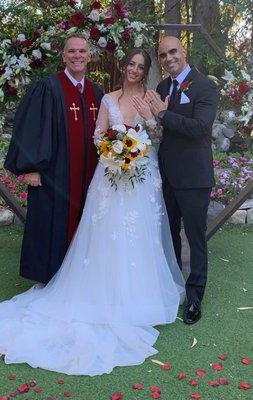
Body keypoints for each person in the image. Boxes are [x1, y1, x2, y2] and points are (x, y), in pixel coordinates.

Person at [0, 49, 185, 376]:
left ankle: (139, 297)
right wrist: (114, 152)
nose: (134, 70)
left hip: (141, 176)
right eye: (131, 64)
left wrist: (150, 125)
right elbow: (98, 134)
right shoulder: (108, 97)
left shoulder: (152, 97)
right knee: (106, 234)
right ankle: (101, 293)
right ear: (123, 66)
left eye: (141, 67)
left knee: (139, 234)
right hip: (112, 174)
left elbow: (157, 135)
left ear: (145, 72)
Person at [4, 34, 104, 284]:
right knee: (51, 224)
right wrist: (32, 168)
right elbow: (32, 129)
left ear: (89, 56)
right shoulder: (48, 88)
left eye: (82, 51)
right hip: (54, 174)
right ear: (63, 56)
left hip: (89, 176)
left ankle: (80, 276)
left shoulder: (96, 92)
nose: (77, 56)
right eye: (72, 51)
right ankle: (50, 277)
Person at [143, 36, 218, 324]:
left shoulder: (204, 86)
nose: (168, 58)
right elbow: (163, 131)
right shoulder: (163, 87)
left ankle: (195, 297)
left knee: (195, 238)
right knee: (169, 235)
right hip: (167, 175)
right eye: (163, 55)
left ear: (183, 51)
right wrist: (152, 120)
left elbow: (200, 128)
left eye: (173, 52)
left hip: (194, 177)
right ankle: (171, 287)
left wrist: (162, 113)